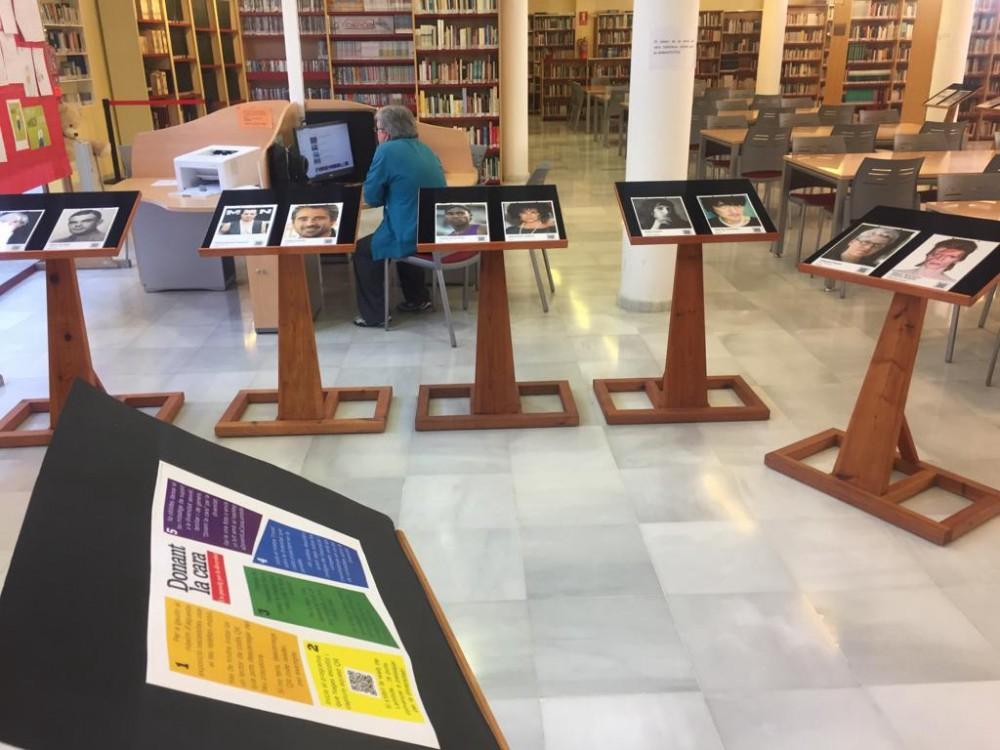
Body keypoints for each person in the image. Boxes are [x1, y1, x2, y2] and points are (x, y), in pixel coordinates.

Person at [352, 105, 446, 327]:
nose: (377, 134)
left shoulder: (386, 151)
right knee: (402, 230)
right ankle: (418, 298)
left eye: (377, 129)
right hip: (433, 230)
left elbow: (373, 198)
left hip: (409, 232)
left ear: (385, 133)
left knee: (362, 251)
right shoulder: (425, 149)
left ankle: (374, 316)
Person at [888, 238, 977, 286]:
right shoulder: (895, 273)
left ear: (958, 261)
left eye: (951, 256)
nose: (939, 258)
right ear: (929, 253)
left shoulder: (950, 283)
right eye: (938, 253)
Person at [823, 226, 902, 267]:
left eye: (877, 246)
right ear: (852, 242)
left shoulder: (870, 266)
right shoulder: (826, 259)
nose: (868, 248)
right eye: (865, 242)